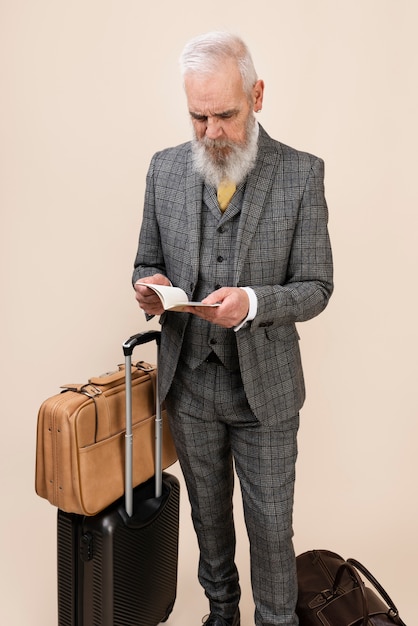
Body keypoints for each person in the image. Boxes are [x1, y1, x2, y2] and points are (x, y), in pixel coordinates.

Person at [133, 31, 333, 626]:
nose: (212, 131)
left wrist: (250, 301)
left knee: (271, 529)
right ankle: (221, 615)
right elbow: (146, 259)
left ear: (258, 95)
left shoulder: (301, 175)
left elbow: (317, 287)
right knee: (208, 521)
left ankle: (276, 621)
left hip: (264, 392)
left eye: (226, 114)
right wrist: (150, 288)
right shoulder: (164, 170)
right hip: (189, 387)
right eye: (199, 117)